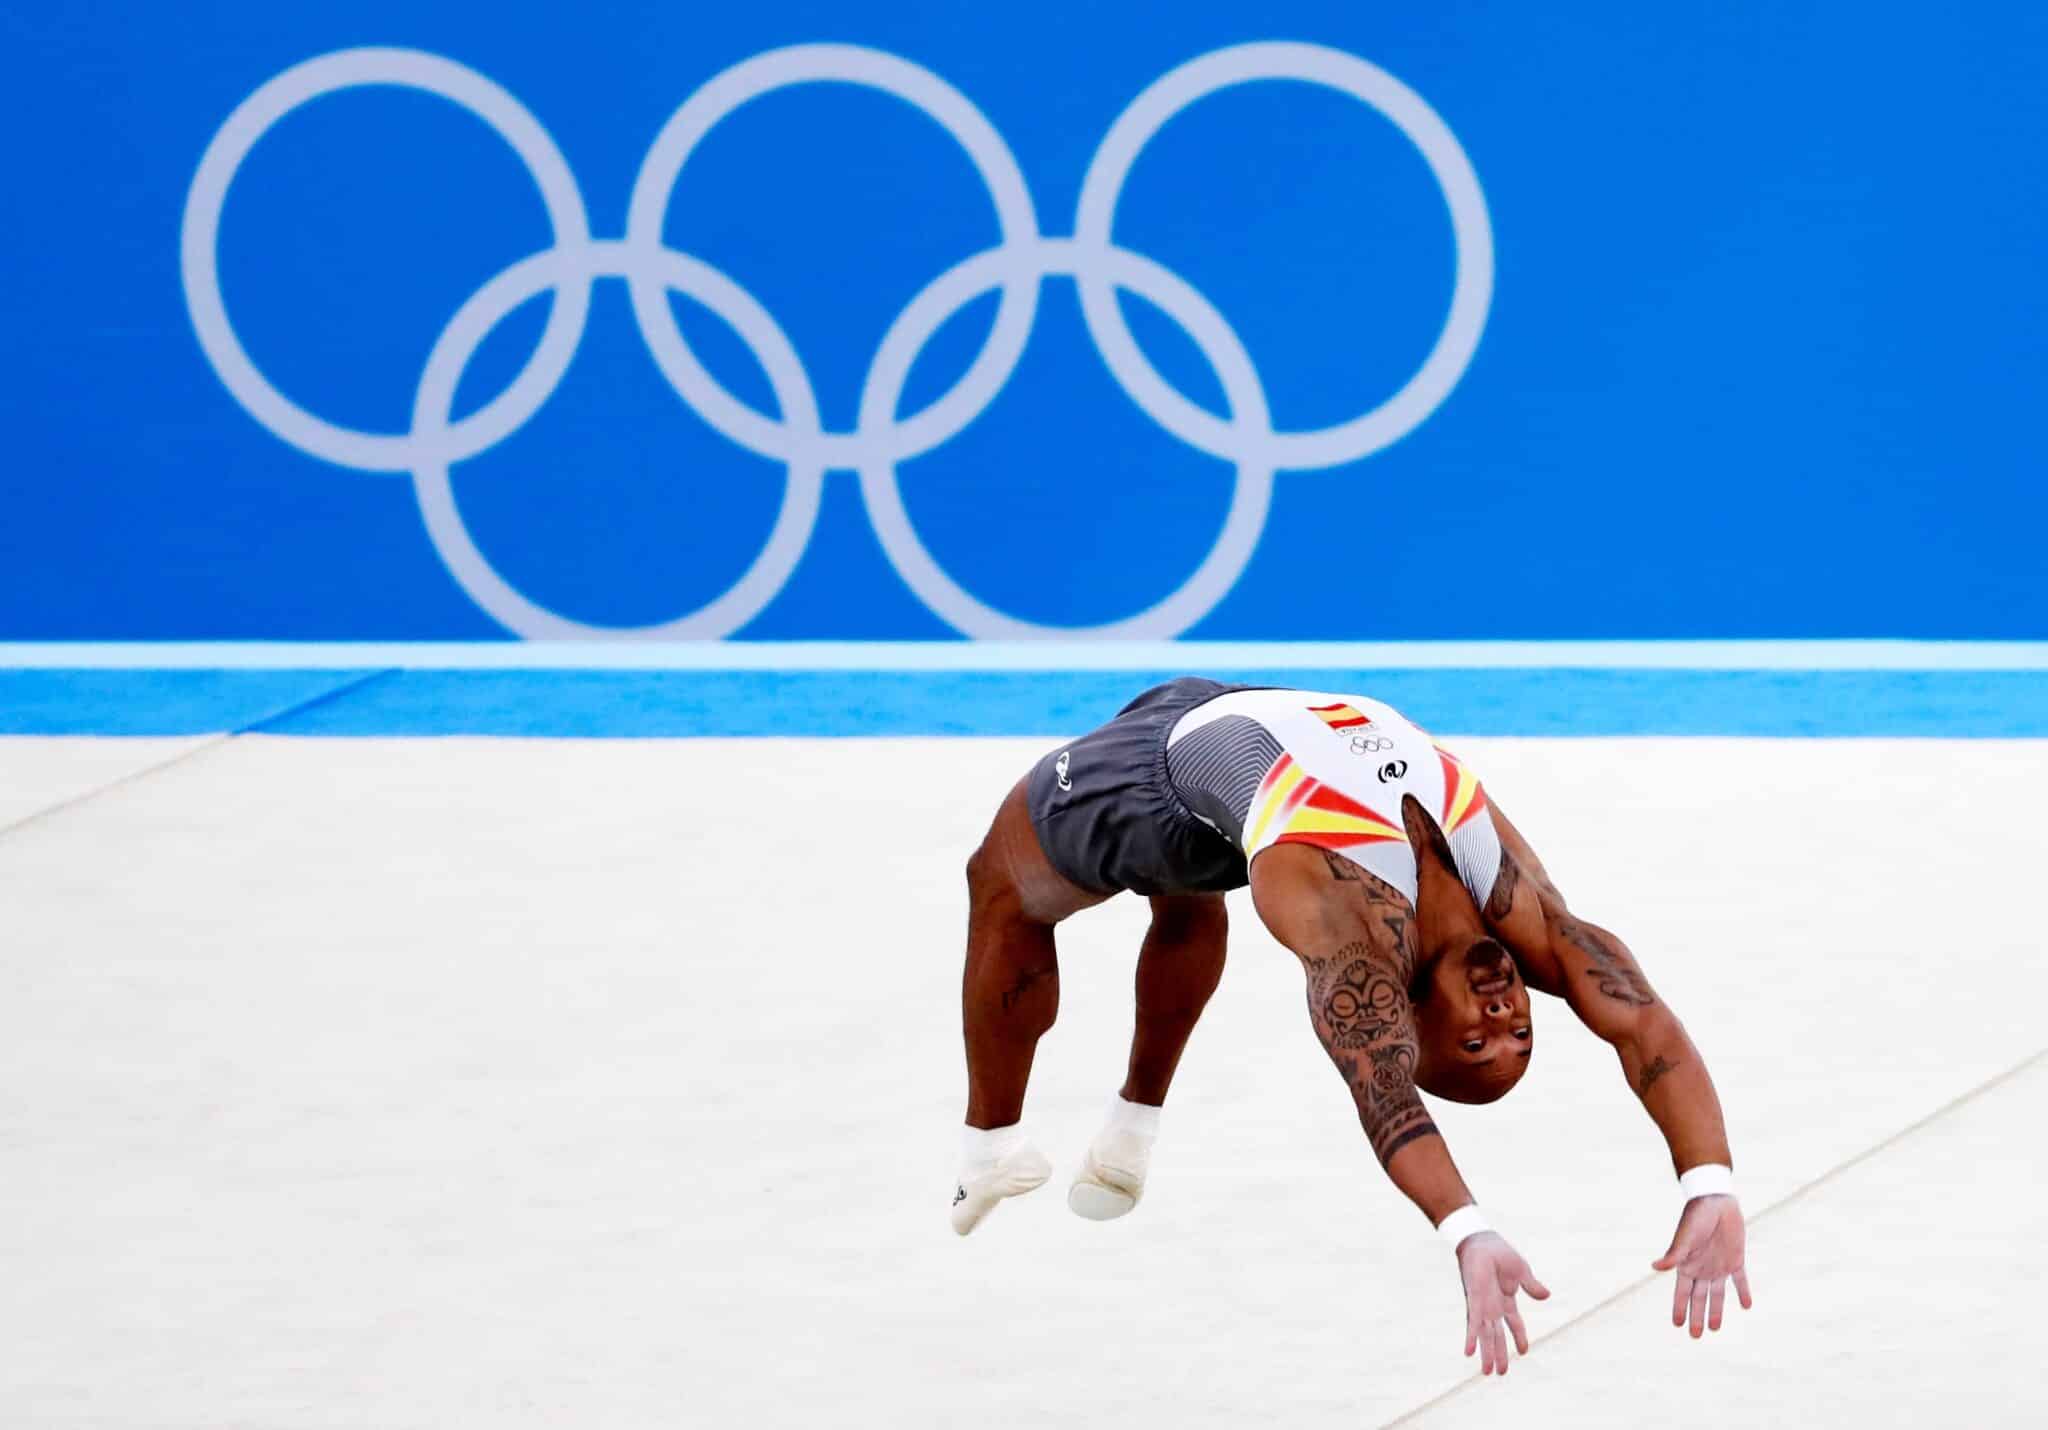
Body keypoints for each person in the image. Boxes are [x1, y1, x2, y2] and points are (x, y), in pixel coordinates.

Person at [953, 678, 1752, 1374]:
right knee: (1190, 888)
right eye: (1519, 1035)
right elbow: (1644, 1026)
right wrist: (1709, 1182)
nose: (1505, 1015)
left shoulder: (1353, 936)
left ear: (1405, 1017)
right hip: (1233, 708)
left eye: (1475, 1042)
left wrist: (1467, 1232)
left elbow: (1384, 1097)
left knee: (1002, 882)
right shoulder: (1527, 918)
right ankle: (1130, 1133)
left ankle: (986, 1150)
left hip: (1154, 775)